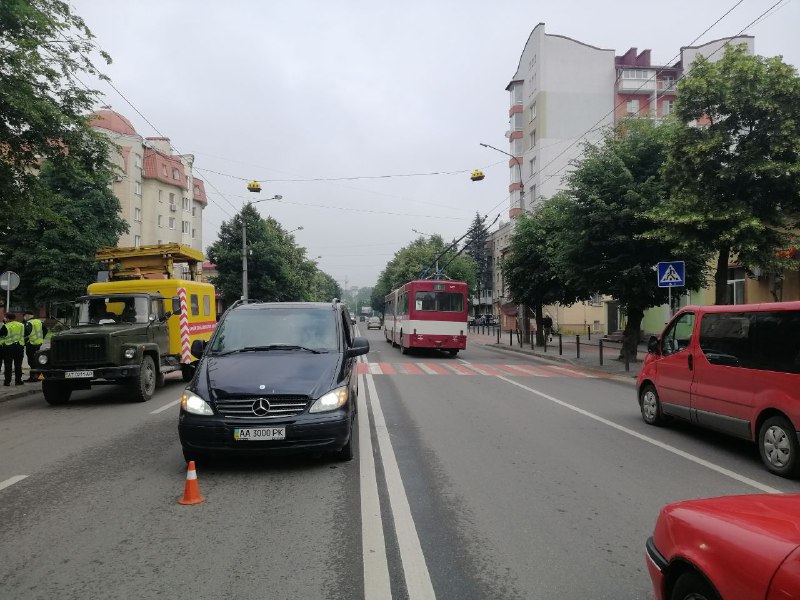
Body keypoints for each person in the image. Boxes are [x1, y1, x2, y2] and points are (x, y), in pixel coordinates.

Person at [1, 313, 26, 386]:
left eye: (5, 318)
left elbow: (1, 335)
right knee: (18, 365)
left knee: (8, 365)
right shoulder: (21, 325)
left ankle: (7, 382)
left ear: (8, 318)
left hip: (8, 347)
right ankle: (18, 381)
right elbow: (25, 333)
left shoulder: (6, 326)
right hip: (19, 347)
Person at [23, 311, 47, 382]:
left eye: (24, 316)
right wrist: (42, 338)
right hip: (38, 343)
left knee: (31, 361)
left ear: (27, 315)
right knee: (37, 360)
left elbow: (26, 333)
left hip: (31, 343)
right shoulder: (39, 321)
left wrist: (24, 340)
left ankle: (33, 378)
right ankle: (40, 377)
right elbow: (45, 330)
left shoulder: (29, 323)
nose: (24, 317)